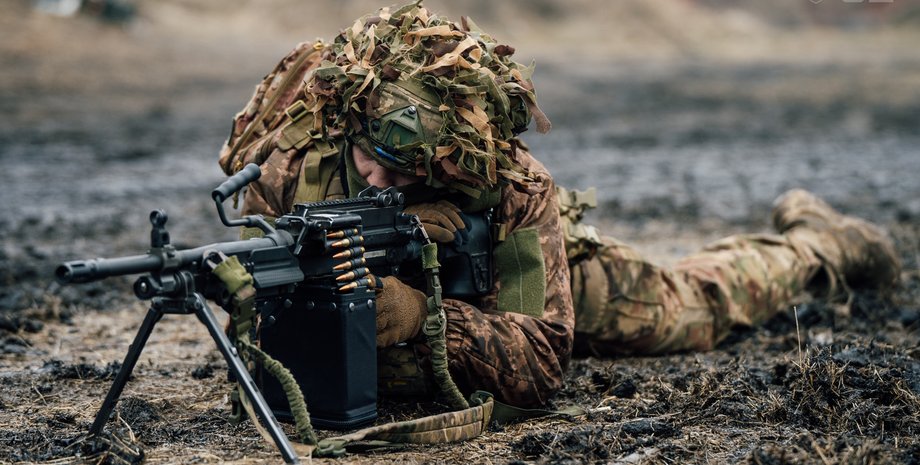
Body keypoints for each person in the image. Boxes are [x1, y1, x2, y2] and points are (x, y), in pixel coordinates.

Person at [217, 2, 901, 408]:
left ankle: (819, 244)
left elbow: (542, 362)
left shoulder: (509, 184)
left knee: (695, 307)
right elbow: (260, 314)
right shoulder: (292, 166)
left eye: (406, 174)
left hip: (538, 282)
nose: (377, 180)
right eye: (371, 155)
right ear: (350, 120)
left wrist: (423, 314)